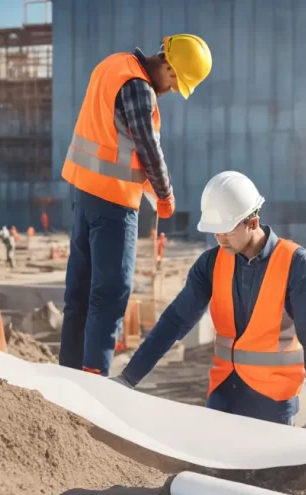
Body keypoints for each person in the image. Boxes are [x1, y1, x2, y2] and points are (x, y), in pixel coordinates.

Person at [110, 171, 306, 431]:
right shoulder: (211, 264)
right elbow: (175, 321)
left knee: (266, 471)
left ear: (252, 222)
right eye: (214, 232)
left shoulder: (296, 264)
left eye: (226, 231)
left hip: (274, 400)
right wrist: (128, 379)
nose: (218, 239)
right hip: (224, 392)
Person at [59, 35, 212, 376]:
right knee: (111, 293)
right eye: (174, 80)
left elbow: (110, 136)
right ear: (166, 65)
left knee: (79, 293)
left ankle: (68, 374)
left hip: (83, 192)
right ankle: (93, 381)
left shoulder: (113, 64)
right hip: (113, 202)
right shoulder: (139, 88)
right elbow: (148, 149)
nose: (172, 90)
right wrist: (165, 195)